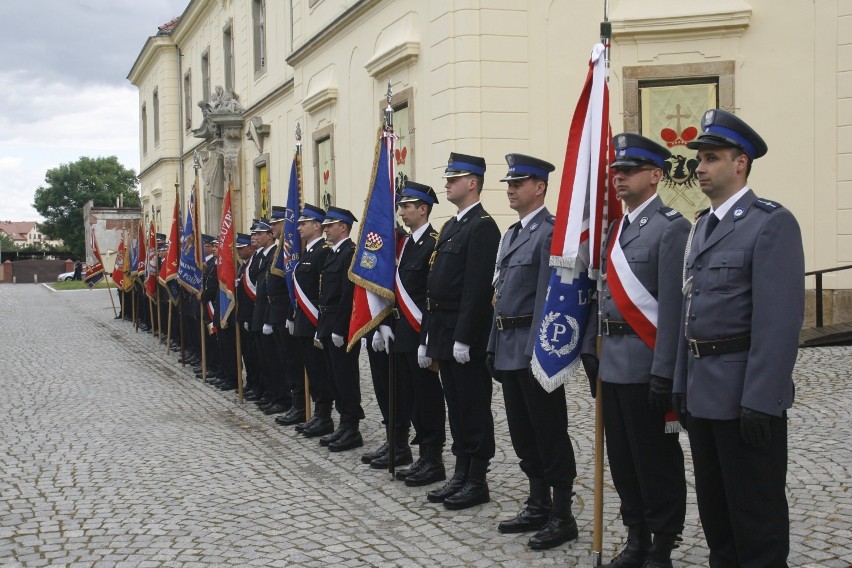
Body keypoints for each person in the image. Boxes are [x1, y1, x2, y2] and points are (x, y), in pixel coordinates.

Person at [673, 109, 804, 567]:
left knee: (757, 517)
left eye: (710, 158)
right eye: (698, 160)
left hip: (744, 396)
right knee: (717, 516)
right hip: (704, 394)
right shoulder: (701, 227)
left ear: (740, 163)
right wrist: (680, 385)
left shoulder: (769, 223)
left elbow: (779, 322)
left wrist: (761, 400)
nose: (700, 169)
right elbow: (689, 311)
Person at [581, 134, 690, 566]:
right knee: (623, 459)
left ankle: (662, 541)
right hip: (613, 362)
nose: (619, 177)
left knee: (655, 459)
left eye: (628, 171)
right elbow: (601, 294)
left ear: (655, 175)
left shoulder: (671, 228)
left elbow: (674, 309)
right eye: (616, 171)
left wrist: (666, 372)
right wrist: (593, 352)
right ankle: (636, 535)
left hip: (647, 363)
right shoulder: (614, 230)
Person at [488, 154, 579, 550]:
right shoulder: (510, 234)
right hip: (508, 346)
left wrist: (539, 352)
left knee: (548, 432)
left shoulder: (550, 232)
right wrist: (493, 345)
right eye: (509, 182)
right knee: (523, 434)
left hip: (534, 349)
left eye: (518, 182)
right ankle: (537, 502)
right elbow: (499, 295)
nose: (510, 188)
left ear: (539, 187)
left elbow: (550, 298)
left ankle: (562, 514)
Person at [423, 152, 500, 510]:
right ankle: (460, 472)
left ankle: (477, 478)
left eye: (454, 179)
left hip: (463, 333)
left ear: (473, 183)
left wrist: (465, 337)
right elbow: (434, 284)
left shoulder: (483, 227)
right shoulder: (452, 226)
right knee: (454, 405)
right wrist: (430, 337)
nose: (447, 183)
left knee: (473, 407)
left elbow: (477, 288)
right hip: (442, 328)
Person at [371, 181, 446, 484]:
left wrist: (426, 339)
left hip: (420, 332)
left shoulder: (433, 243)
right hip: (403, 331)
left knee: (427, 398)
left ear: (423, 209)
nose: (401, 212)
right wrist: (385, 324)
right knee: (409, 397)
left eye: (406, 206)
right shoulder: (407, 245)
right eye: (401, 206)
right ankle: (416, 452)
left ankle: (433, 458)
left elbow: (430, 295)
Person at [316, 206, 364, 452]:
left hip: (340, 325)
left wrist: (339, 328)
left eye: (329, 226)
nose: (325, 230)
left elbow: (347, 294)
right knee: (334, 377)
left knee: (346, 378)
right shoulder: (332, 253)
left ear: (343, 227)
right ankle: (343, 423)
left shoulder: (350, 253)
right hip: (327, 322)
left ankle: (351, 426)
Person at [290, 205, 335, 438]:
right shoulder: (307, 252)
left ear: (317, 226)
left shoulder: (324, 252)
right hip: (304, 321)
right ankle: (318, 413)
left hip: (316, 321)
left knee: (320, 370)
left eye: (303, 223)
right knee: (312, 369)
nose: (298, 227)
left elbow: (323, 289)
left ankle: (324, 415)